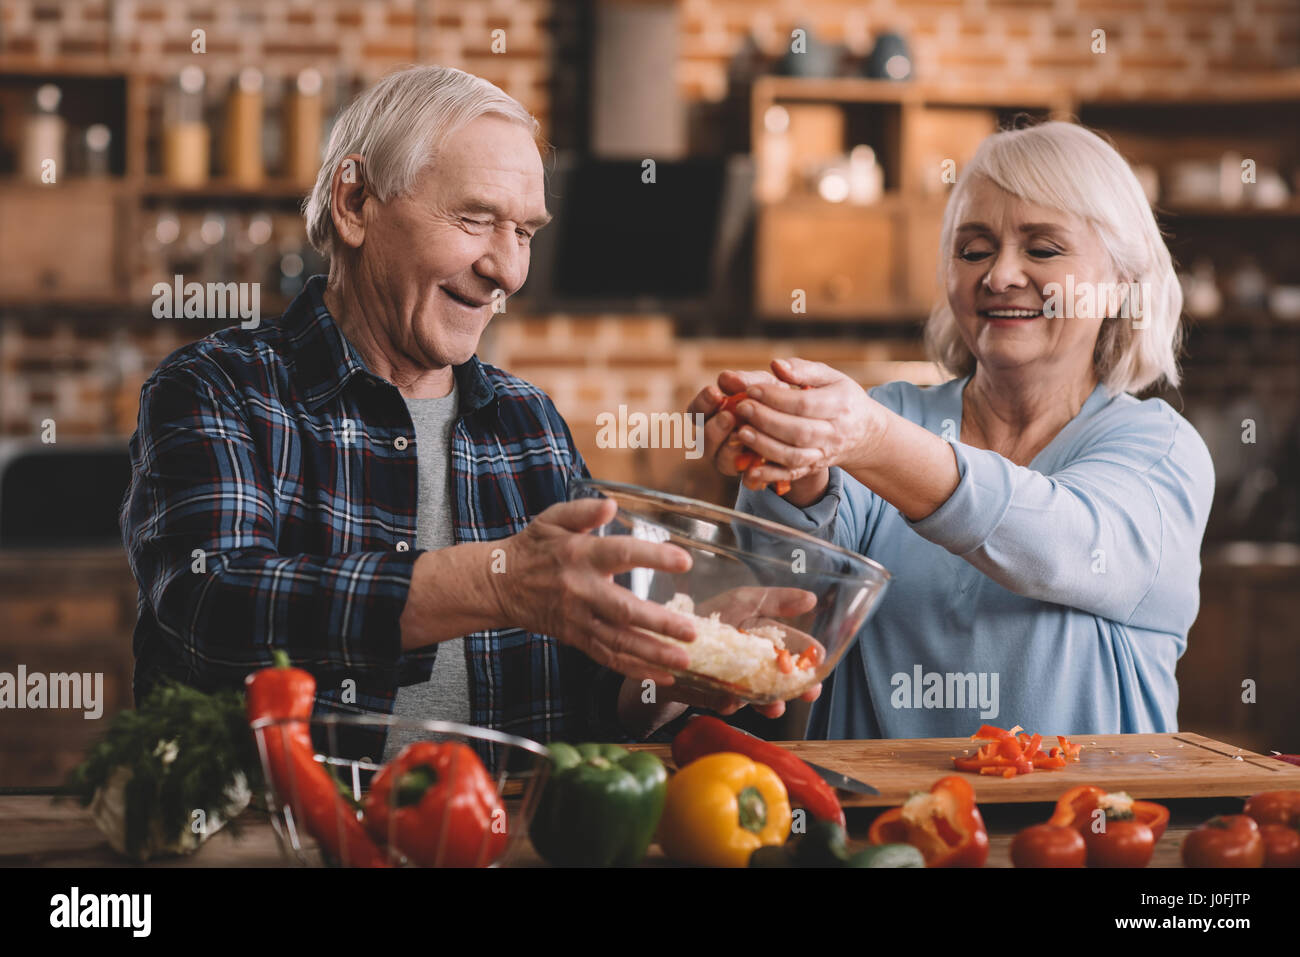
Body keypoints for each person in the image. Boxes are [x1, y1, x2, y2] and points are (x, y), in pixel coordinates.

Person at [121, 65, 791, 765]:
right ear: (355, 203)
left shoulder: (528, 424)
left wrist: (673, 667)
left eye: (525, 231)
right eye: (475, 219)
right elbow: (213, 608)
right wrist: (498, 581)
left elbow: (587, 706)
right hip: (286, 840)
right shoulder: (218, 388)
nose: (508, 270)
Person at [688, 120, 1215, 739]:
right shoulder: (887, 417)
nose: (998, 276)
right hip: (879, 829)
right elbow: (787, 611)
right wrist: (795, 472)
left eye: (1042, 249)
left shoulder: (1159, 449)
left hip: (1083, 827)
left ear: (1122, 284)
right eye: (974, 250)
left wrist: (869, 440)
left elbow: (1063, 544)